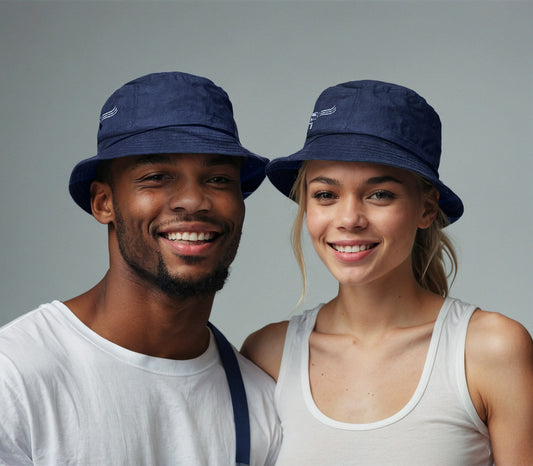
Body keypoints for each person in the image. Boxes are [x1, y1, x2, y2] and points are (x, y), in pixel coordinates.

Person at [242, 80, 533, 465]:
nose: (349, 219)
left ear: (427, 209)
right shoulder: (268, 355)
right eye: (326, 194)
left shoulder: (490, 349)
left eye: (380, 194)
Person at [0, 72, 281, 465]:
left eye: (218, 179)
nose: (192, 201)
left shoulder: (261, 404)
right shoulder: (15, 377)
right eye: (156, 178)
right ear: (103, 203)